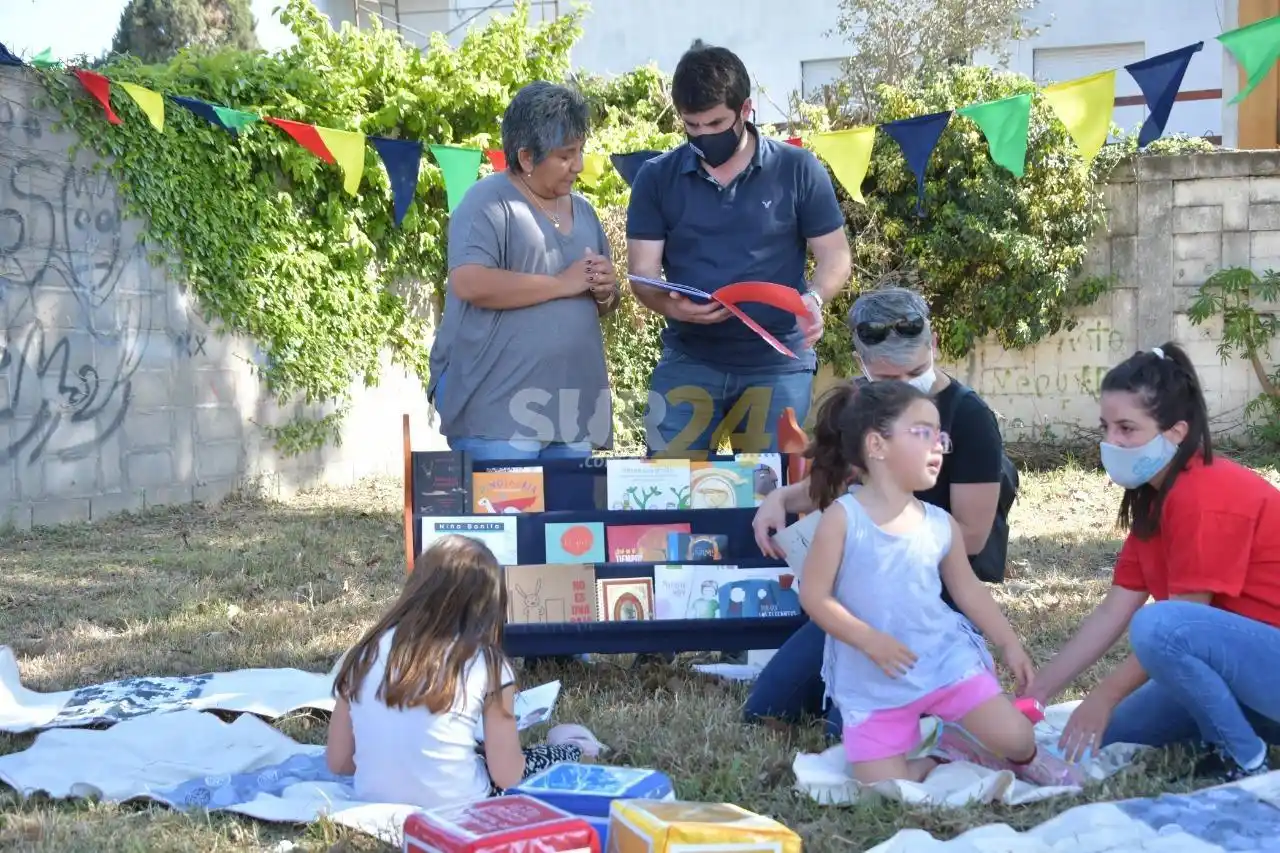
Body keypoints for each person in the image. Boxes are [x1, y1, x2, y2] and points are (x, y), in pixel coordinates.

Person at [744, 286, 1010, 733]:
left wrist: (880, 541)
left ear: (934, 344)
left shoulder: (969, 417)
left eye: (915, 373)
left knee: (845, 730)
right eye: (888, 380)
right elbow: (830, 481)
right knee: (766, 709)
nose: (903, 390)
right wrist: (780, 499)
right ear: (863, 364)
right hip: (862, 594)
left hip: (932, 592)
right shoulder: (857, 407)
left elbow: (972, 536)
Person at [797, 380, 1077, 786]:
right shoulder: (843, 518)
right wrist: (868, 639)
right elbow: (814, 595)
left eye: (940, 436)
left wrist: (1008, 642)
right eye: (922, 433)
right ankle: (942, 756)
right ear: (876, 445)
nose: (939, 447)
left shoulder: (940, 523)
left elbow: (968, 590)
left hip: (944, 663)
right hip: (872, 681)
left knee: (1018, 739)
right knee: (883, 788)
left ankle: (1012, 750)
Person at [1025, 343, 1280, 782]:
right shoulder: (1155, 500)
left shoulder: (1205, 494)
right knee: (1113, 732)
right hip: (1243, 671)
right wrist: (1038, 692)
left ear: (1176, 432)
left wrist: (1104, 694)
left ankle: (1242, 756)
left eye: (1127, 428)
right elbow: (1113, 610)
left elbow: (1180, 624)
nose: (1111, 442)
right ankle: (1234, 730)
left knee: (1157, 626)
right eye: (1106, 427)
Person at [626, 40, 852, 457]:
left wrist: (815, 298)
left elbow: (835, 255)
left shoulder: (797, 169)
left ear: (746, 109)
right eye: (692, 126)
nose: (703, 135)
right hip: (689, 359)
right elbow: (642, 273)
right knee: (670, 482)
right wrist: (674, 307)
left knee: (773, 484)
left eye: (715, 123)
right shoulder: (656, 178)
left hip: (778, 361)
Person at [427, 81, 619, 462]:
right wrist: (561, 283)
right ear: (527, 157)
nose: (579, 166)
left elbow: (605, 303)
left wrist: (605, 290)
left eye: (580, 151)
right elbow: (469, 281)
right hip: (496, 415)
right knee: (510, 504)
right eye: (566, 155)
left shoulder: (584, 212)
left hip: (572, 414)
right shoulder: (487, 202)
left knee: (571, 505)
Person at [325, 535, 586, 807]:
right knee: (560, 753)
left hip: (371, 798)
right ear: (489, 606)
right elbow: (507, 775)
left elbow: (339, 762)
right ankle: (575, 743)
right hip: (463, 804)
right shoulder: (487, 663)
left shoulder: (366, 652)